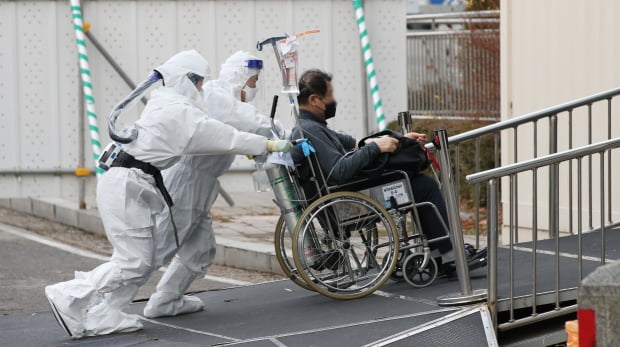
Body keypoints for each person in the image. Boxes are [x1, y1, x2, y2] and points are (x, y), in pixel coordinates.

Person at [44, 50, 292, 339]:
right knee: (139, 258)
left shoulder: (171, 104)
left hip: (135, 182)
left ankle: (163, 300)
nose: (202, 88)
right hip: (139, 183)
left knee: (195, 249)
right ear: (187, 80)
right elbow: (227, 134)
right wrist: (271, 142)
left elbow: (221, 131)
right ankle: (77, 298)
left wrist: (261, 143)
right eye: (198, 82)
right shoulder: (187, 110)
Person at [290, 69, 486, 274]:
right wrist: (376, 147)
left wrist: (399, 140)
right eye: (330, 95)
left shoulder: (311, 126)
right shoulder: (311, 130)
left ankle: (441, 253)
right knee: (423, 187)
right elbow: (339, 170)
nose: (333, 100)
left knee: (415, 183)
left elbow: (357, 145)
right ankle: (448, 255)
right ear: (315, 99)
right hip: (347, 201)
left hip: (344, 195)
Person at [142, 51, 283, 318]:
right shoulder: (218, 96)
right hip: (187, 181)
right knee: (158, 248)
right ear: (240, 77)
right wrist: (283, 134)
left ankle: (166, 299)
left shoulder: (225, 99)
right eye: (253, 81)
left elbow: (241, 127)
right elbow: (250, 122)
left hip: (202, 184)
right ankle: (102, 302)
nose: (254, 88)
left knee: (200, 249)